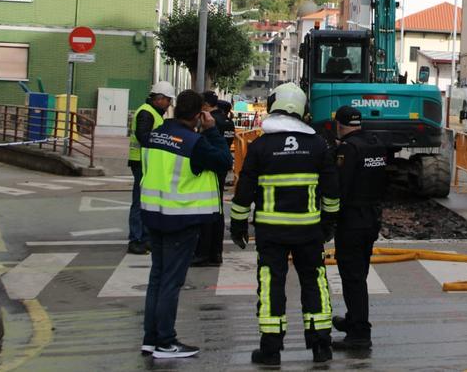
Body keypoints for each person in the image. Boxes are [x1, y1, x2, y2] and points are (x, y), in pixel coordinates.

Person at [230, 82, 340, 366]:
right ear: (303, 109)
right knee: (315, 282)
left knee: (270, 285)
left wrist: (238, 225)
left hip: (270, 233)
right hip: (308, 231)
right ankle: (321, 346)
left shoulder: (261, 146)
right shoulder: (318, 145)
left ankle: (270, 350)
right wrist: (328, 224)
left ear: (273, 105)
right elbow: (331, 191)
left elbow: (244, 190)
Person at [139, 89, 232, 359]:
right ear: (198, 114)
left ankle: (151, 338)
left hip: (153, 214)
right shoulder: (193, 142)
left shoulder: (154, 136)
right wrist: (212, 130)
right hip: (180, 219)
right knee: (171, 281)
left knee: (157, 278)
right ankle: (166, 342)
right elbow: (224, 161)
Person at [329, 105, 391, 350]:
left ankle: (360, 334)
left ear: (339, 125)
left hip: (352, 220)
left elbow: (340, 187)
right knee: (359, 272)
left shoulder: (348, 149)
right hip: (372, 217)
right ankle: (354, 319)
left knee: (352, 277)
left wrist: (328, 220)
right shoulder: (374, 143)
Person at [128, 81, 176, 255]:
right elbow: (144, 137)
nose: (169, 103)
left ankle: (144, 238)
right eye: (168, 100)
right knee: (140, 201)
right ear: (159, 98)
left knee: (147, 201)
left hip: (146, 162)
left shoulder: (153, 112)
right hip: (142, 162)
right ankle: (136, 239)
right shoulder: (147, 113)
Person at [192, 91, 235, 267]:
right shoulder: (228, 121)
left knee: (207, 213)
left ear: (205, 105)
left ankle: (204, 252)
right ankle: (216, 252)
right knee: (218, 211)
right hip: (222, 165)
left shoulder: (210, 121)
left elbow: (204, 144)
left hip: (211, 167)